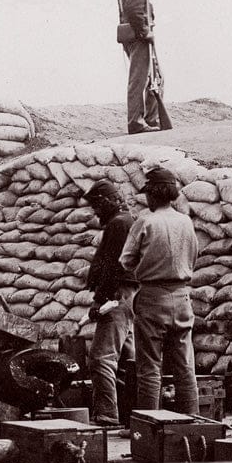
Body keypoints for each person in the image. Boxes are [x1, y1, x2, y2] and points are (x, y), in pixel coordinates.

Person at [119, 167, 199, 414]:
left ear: (153, 194)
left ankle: (150, 424)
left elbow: (126, 261)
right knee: (185, 366)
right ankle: (194, 421)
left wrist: (148, 265)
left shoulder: (145, 221)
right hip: (182, 297)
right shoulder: (186, 221)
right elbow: (194, 256)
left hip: (153, 298)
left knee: (150, 367)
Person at [82, 181, 138, 427]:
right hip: (127, 295)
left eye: (97, 205)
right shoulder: (127, 221)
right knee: (126, 358)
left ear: (108, 201)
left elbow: (112, 267)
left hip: (117, 295)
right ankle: (128, 413)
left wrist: (100, 300)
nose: (95, 211)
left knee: (100, 357)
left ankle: (106, 415)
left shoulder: (118, 224)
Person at [119, 0, 159, 134]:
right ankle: (137, 122)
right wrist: (145, 32)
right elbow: (134, 10)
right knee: (140, 80)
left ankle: (150, 120)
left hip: (132, 37)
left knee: (151, 77)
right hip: (139, 38)